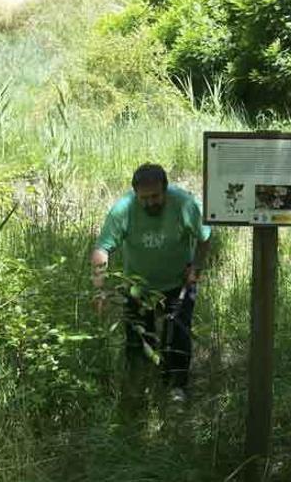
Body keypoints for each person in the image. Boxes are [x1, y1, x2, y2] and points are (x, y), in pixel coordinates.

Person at [91, 163, 211, 405]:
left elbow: (204, 237)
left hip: (178, 282)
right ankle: (139, 389)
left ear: (166, 190)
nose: (150, 203)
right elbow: (102, 249)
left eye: (155, 196)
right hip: (138, 287)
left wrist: (196, 267)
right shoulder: (123, 210)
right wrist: (100, 289)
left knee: (179, 335)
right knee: (138, 340)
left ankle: (177, 388)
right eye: (144, 198)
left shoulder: (184, 204)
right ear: (135, 194)